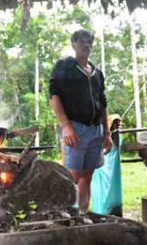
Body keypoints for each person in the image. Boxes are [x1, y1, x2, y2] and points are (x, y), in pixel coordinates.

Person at [49, 29, 112, 215]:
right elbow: (54, 95)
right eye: (81, 41)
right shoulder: (64, 66)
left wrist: (106, 133)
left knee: (88, 175)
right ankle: (62, 215)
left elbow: (103, 104)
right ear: (73, 44)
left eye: (89, 42)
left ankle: (83, 215)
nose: (86, 45)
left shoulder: (97, 73)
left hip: (95, 130)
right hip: (75, 128)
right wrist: (66, 126)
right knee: (72, 177)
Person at [91, 114, 123, 216]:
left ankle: (111, 211)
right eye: (115, 124)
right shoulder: (102, 137)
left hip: (110, 169)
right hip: (101, 168)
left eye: (118, 124)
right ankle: (103, 212)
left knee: (112, 192)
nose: (117, 126)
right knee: (100, 192)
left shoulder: (116, 138)